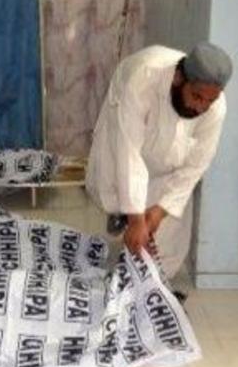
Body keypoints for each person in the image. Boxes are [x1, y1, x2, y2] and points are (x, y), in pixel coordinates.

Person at [85, 43, 230, 277]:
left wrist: (158, 212)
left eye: (208, 101)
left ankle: (155, 284)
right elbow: (128, 152)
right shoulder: (143, 78)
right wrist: (135, 218)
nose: (200, 107)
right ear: (178, 78)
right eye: (196, 96)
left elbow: (196, 166)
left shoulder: (215, 108)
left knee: (164, 244)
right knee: (118, 185)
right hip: (127, 131)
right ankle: (121, 214)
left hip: (168, 163)